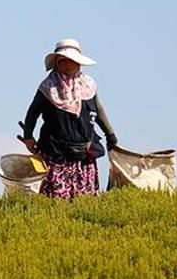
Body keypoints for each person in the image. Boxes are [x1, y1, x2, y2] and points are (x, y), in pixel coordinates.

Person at [21, 39, 118, 200]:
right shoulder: (48, 88)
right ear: (57, 63)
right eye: (64, 61)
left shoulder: (88, 85)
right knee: (56, 200)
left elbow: (99, 109)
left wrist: (110, 134)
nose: (69, 65)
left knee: (85, 200)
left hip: (84, 151)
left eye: (72, 61)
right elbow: (33, 112)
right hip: (56, 152)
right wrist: (28, 136)